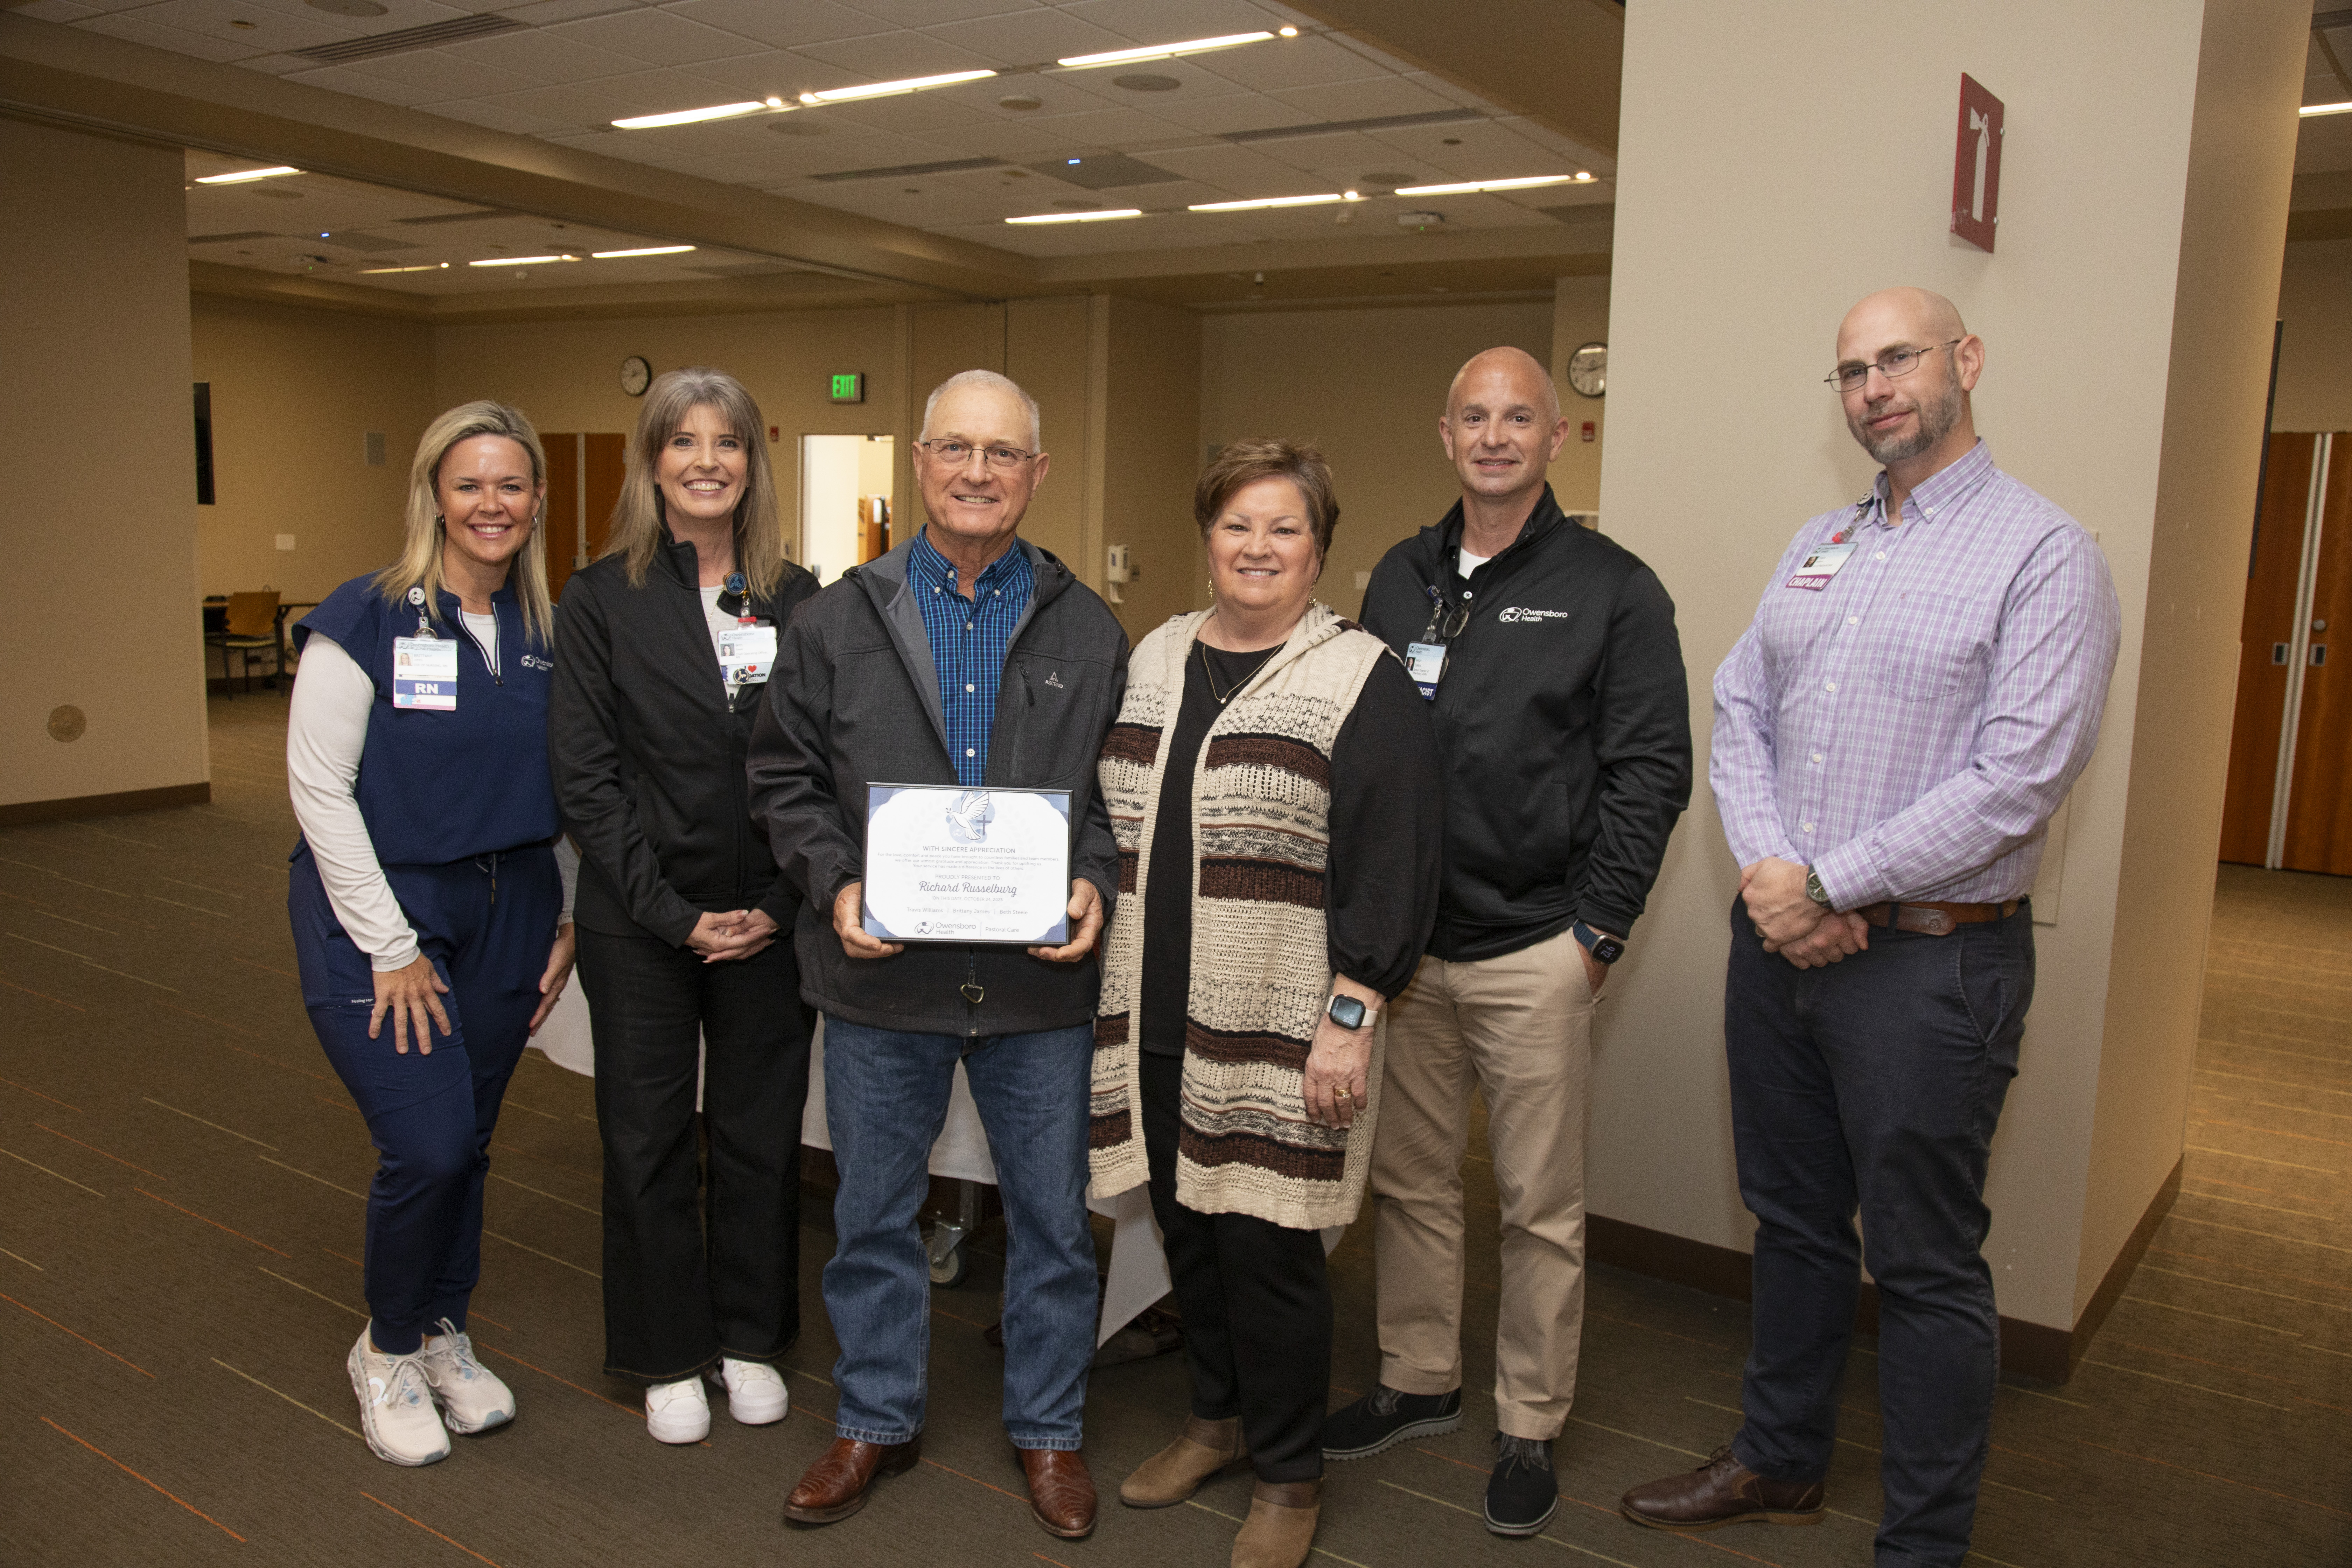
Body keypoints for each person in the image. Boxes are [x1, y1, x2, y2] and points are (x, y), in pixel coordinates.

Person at [1618, 288, 2120, 1568]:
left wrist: (1825, 882)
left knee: (1925, 1262)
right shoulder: (1819, 540)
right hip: (1783, 946)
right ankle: (1780, 1462)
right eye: (1851, 370)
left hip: (1935, 965)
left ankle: (1924, 1542)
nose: (1875, 387)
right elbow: (1740, 710)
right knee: (1789, 1222)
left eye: (1899, 358)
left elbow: (2020, 777)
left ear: (1967, 361)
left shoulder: (2043, 552)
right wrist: (1779, 879)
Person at [747, 370, 1128, 1540]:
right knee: (872, 1212)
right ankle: (875, 1417)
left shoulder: (1085, 625)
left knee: (1056, 1224)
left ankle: (1051, 1432)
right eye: (955, 450)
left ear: (1037, 474)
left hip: (1034, 984)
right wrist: (837, 880)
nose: (977, 472)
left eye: (1002, 454)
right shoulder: (834, 618)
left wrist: (1095, 881)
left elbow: (1115, 800)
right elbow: (782, 780)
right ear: (919, 464)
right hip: (882, 972)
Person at [1338, 347, 1692, 1535]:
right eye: (1475, 417)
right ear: (1446, 434)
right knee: (1412, 1183)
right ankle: (1417, 1377)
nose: (1495, 436)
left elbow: (1653, 770)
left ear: (1556, 437)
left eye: (1520, 418)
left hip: (1538, 944)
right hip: (1408, 950)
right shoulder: (1399, 574)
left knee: (1541, 1203)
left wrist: (1598, 931)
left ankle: (1530, 1420)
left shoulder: (1613, 587)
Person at [1090, 439, 1442, 1568]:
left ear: (1319, 548)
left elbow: (1396, 862)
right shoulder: (1155, 656)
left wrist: (1351, 1015)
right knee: (1191, 1229)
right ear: (1208, 537)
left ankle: (1290, 1479)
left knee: (1273, 1253)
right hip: (1154, 1009)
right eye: (1238, 525)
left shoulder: (1359, 678)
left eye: (1284, 528)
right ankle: (1218, 1419)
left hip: (1286, 1025)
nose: (1257, 547)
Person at [285, 401, 576, 1466]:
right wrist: (391, 944)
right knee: (430, 1142)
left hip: (515, 909)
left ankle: (446, 1329)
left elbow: (581, 783)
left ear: (537, 500)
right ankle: (389, 1347)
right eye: (470, 485)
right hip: (384, 911)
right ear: (434, 498)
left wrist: (573, 915)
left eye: (512, 485)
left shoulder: (548, 632)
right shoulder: (365, 617)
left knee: (473, 1141)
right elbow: (319, 791)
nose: (492, 504)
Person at [551, 367, 820, 1444]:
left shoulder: (799, 598)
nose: (706, 460)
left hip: (768, 922)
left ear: (754, 462)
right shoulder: (599, 598)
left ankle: (751, 1337)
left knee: (760, 1140)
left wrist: (783, 907)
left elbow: (827, 766)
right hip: (641, 922)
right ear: (652, 461)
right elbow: (587, 778)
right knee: (649, 1137)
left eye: (729, 442)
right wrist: (673, 914)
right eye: (683, 441)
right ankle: (667, 1349)